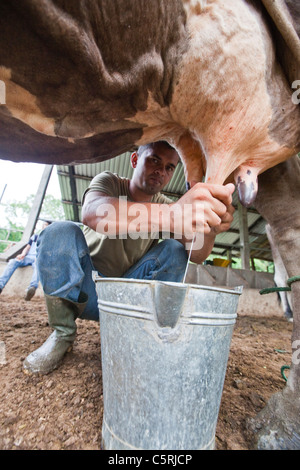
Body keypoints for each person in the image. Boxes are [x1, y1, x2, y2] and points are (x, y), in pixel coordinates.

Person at [23, 141, 235, 375]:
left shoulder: (168, 206)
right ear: (135, 160)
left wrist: (212, 226)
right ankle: (62, 334)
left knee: (175, 250)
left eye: (169, 167)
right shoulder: (110, 183)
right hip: (85, 290)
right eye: (154, 160)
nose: (161, 172)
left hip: (127, 299)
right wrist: (173, 215)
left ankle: (147, 337)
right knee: (58, 232)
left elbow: (197, 254)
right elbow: (94, 213)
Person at [0, 221, 51, 300]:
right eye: (44, 225)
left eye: (46, 225)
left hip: (38, 259)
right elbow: (27, 247)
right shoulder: (35, 236)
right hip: (28, 257)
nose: (44, 226)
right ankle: (0, 285)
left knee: (38, 266)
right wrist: (22, 254)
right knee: (13, 261)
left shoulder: (50, 239)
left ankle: (32, 288)